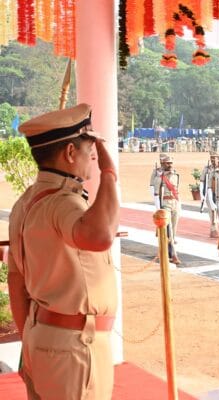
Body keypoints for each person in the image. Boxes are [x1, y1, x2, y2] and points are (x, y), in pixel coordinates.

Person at [7, 103, 118, 399]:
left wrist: (30, 338)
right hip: (75, 347)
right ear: (70, 152)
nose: (93, 158)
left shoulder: (24, 203)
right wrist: (109, 173)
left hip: (42, 335)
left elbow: (16, 281)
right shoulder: (63, 203)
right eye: (90, 151)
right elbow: (100, 236)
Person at [152, 155, 182, 264]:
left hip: (175, 203)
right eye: (167, 163)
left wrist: (179, 203)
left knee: (173, 230)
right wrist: (158, 210)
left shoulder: (176, 175)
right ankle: (174, 254)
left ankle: (168, 251)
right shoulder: (159, 177)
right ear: (162, 164)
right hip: (165, 204)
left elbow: (177, 190)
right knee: (168, 230)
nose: (170, 165)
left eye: (171, 163)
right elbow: (156, 194)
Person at [200, 150, 219, 238]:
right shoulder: (207, 169)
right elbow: (202, 181)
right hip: (209, 192)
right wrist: (202, 194)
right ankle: (213, 229)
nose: (213, 159)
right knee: (212, 211)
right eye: (211, 158)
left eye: (214, 158)